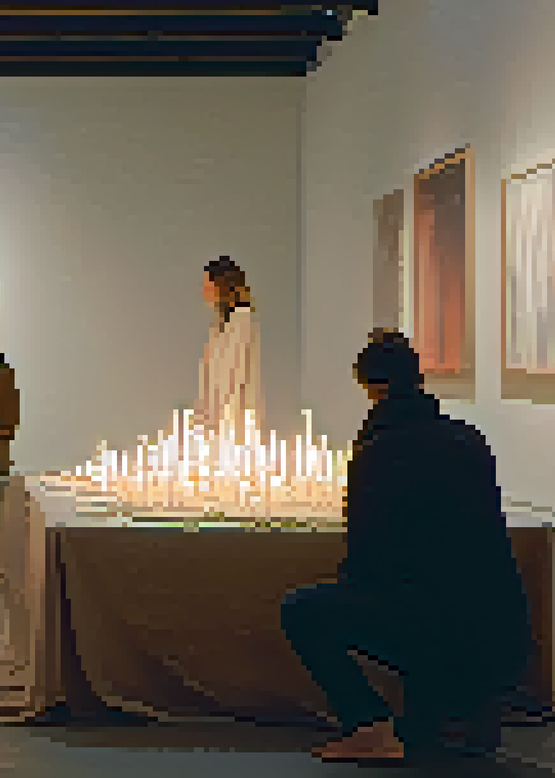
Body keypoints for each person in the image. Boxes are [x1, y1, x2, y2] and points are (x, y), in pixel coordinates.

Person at [280, 329, 533, 763]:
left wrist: (351, 586)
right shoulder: (469, 439)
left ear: (369, 387)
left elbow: (367, 554)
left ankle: (369, 724)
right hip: (497, 623)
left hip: (426, 620)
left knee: (302, 611)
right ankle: (460, 708)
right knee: (425, 601)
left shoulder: (379, 450)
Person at [194, 256, 263, 436]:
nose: (204, 292)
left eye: (208, 286)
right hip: (217, 424)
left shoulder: (241, 323)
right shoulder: (219, 327)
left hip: (232, 426)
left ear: (222, 286)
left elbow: (233, 378)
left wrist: (220, 425)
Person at [0, 354, 20, 477]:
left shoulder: (1, 374)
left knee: (0, 452)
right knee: (1, 450)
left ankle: (1, 472)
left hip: (0, 421)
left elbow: (5, 399)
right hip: (2, 420)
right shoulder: (6, 374)